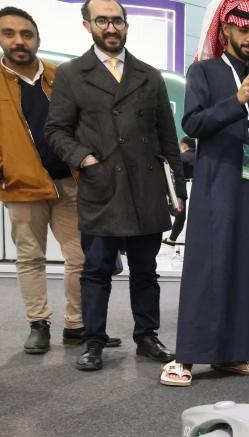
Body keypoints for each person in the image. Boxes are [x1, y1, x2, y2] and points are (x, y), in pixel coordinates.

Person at [44, 0, 184, 372]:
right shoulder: (72, 73)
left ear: (126, 25)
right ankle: (93, 342)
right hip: (100, 186)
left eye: (117, 20)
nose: (111, 27)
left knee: (145, 271)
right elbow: (55, 129)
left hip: (146, 188)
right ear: (87, 24)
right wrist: (83, 159)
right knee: (96, 270)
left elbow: (167, 136)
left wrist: (178, 189)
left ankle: (147, 336)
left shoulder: (149, 74)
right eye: (102, 20)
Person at [163, 0, 249, 386]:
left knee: (248, 269)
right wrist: (238, 100)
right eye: (245, 31)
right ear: (226, 30)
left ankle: (235, 353)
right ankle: (187, 356)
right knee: (208, 269)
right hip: (216, 185)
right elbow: (193, 123)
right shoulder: (204, 71)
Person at [0, 5, 121, 354]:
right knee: (30, 257)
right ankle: (38, 324)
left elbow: (87, 122)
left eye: (26, 34)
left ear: (37, 38)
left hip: (70, 181)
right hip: (22, 186)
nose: (19, 41)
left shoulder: (60, 76)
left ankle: (77, 324)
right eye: (9, 34)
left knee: (81, 257)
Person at [162, 135, 196, 245]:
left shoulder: (181, 157)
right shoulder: (201, 157)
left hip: (184, 187)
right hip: (199, 188)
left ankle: (172, 239)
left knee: (180, 216)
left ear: (184, 145)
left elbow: (175, 176)